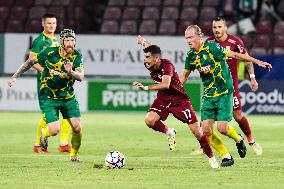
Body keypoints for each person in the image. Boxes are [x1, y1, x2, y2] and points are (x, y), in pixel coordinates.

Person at [180, 25, 272, 162]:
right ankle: (226, 156)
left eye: (191, 37)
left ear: (200, 36)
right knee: (205, 129)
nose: (188, 40)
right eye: (186, 37)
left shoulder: (212, 48)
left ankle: (239, 139)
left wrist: (257, 61)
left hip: (224, 92)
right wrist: (173, 89)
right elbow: (184, 77)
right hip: (208, 95)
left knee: (222, 128)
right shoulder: (191, 56)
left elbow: (235, 55)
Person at [133, 35, 219, 169]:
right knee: (149, 120)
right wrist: (143, 42)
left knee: (197, 131)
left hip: (179, 100)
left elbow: (166, 84)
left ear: (157, 59)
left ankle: (211, 157)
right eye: (144, 57)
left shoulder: (166, 65)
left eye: (147, 58)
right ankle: (169, 132)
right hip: (163, 99)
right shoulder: (151, 62)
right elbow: (151, 49)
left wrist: (146, 87)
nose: (145, 61)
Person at [8, 29, 84, 162]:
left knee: (77, 128)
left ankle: (74, 155)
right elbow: (30, 62)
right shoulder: (50, 52)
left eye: (73, 40)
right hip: (49, 96)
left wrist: (70, 71)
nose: (70, 43)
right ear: (61, 42)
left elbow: (81, 77)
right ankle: (44, 134)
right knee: (54, 130)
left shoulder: (77, 56)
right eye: (67, 40)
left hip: (68, 97)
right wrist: (15, 76)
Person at [207, 16, 263, 155]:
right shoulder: (208, 43)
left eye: (220, 27)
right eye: (215, 27)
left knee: (238, 116)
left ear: (225, 27)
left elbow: (247, 60)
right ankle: (206, 145)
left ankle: (251, 140)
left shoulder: (235, 42)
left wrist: (252, 78)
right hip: (213, 89)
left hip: (231, 88)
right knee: (208, 121)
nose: (217, 30)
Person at [30, 13, 72, 154]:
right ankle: (37, 145)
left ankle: (64, 144)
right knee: (48, 115)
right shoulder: (39, 41)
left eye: (54, 23)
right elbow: (32, 61)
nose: (52, 26)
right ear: (43, 24)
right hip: (46, 84)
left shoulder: (56, 41)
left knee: (67, 112)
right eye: (49, 23)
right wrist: (45, 72)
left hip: (59, 84)